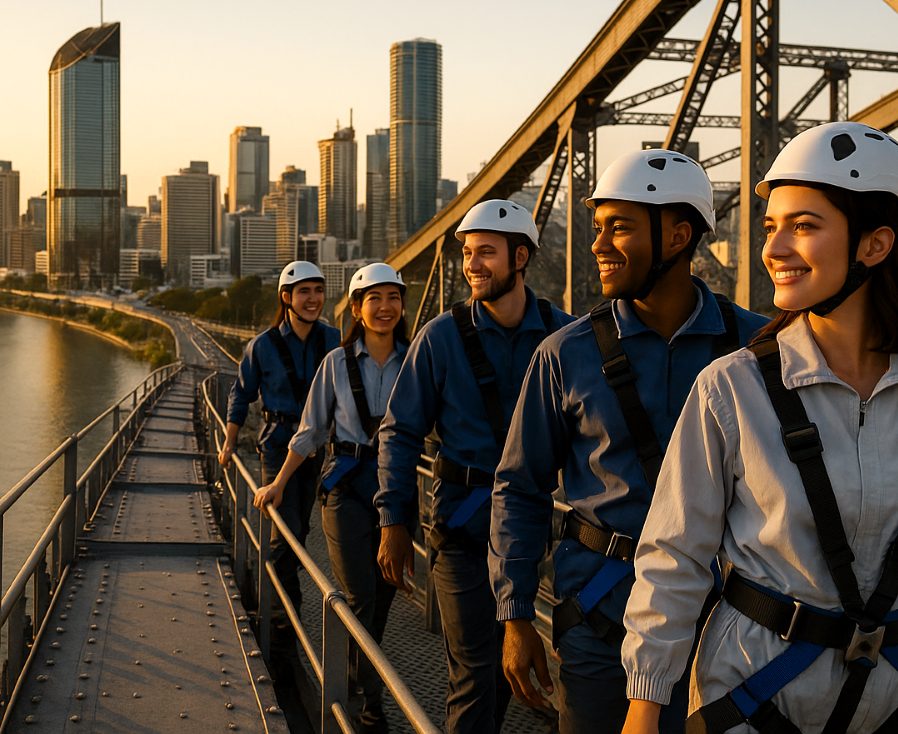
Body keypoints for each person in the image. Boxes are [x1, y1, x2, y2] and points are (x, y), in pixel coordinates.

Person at [620, 122, 898, 734]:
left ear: (874, 246)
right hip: (749, 700)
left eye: (804, 225)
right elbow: (675, 559)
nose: (775, 247)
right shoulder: (731, 387)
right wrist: (644, 706)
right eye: (772, 227)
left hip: (893, 703)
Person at [489, 149, 768, 734]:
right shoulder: (565, 354)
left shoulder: (756, 350)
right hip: (600, 617)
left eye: (619, 226)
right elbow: (521, 487)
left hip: (724, 621)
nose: (598, 245)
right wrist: (516, 617)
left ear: (678, 236)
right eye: (597, 228)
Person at [376, 199, 573, 734]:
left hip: (535, 530)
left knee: (521, 670)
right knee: (477, 671)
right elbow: (399, 430)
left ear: (522, 256)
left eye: (486, 252)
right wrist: (393, 520)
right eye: (467, 253)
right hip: (462, 528)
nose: (472, 265)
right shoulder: (440, 336)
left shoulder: (566, 337)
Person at [254, 263, 411, 734]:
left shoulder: (418, 359)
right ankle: (371, 702)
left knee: (384, 597)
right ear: (358, 309)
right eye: (374, 299)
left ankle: (354, 676)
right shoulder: (337, 364)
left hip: (398, 489)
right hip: (344, 487)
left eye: (393, 298)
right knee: (360, 595)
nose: (385, 308)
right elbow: (310, 432)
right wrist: (279, 482)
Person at [222, 260, 342, 628]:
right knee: (283, 534)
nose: (313, 298)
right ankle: (279, 618)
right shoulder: (262, 346)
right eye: (304, 291)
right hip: (277, 447)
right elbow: (241, 395)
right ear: (286, 297)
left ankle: (285, 602)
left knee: (300, 530)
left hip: (322, 449)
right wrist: (229, 442)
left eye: (318, 291)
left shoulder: (335, 340)